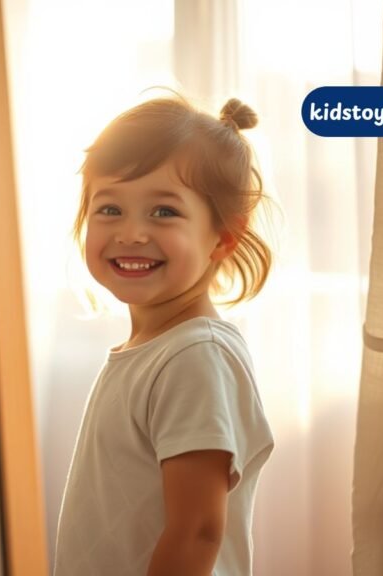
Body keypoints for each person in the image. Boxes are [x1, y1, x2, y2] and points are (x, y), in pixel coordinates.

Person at [53, 95, 275, 576]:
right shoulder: (155, 351)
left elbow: (197, 530)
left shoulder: (194, 356)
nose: (131, 233)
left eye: (163, 213)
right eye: (109, 209)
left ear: (224, 237)